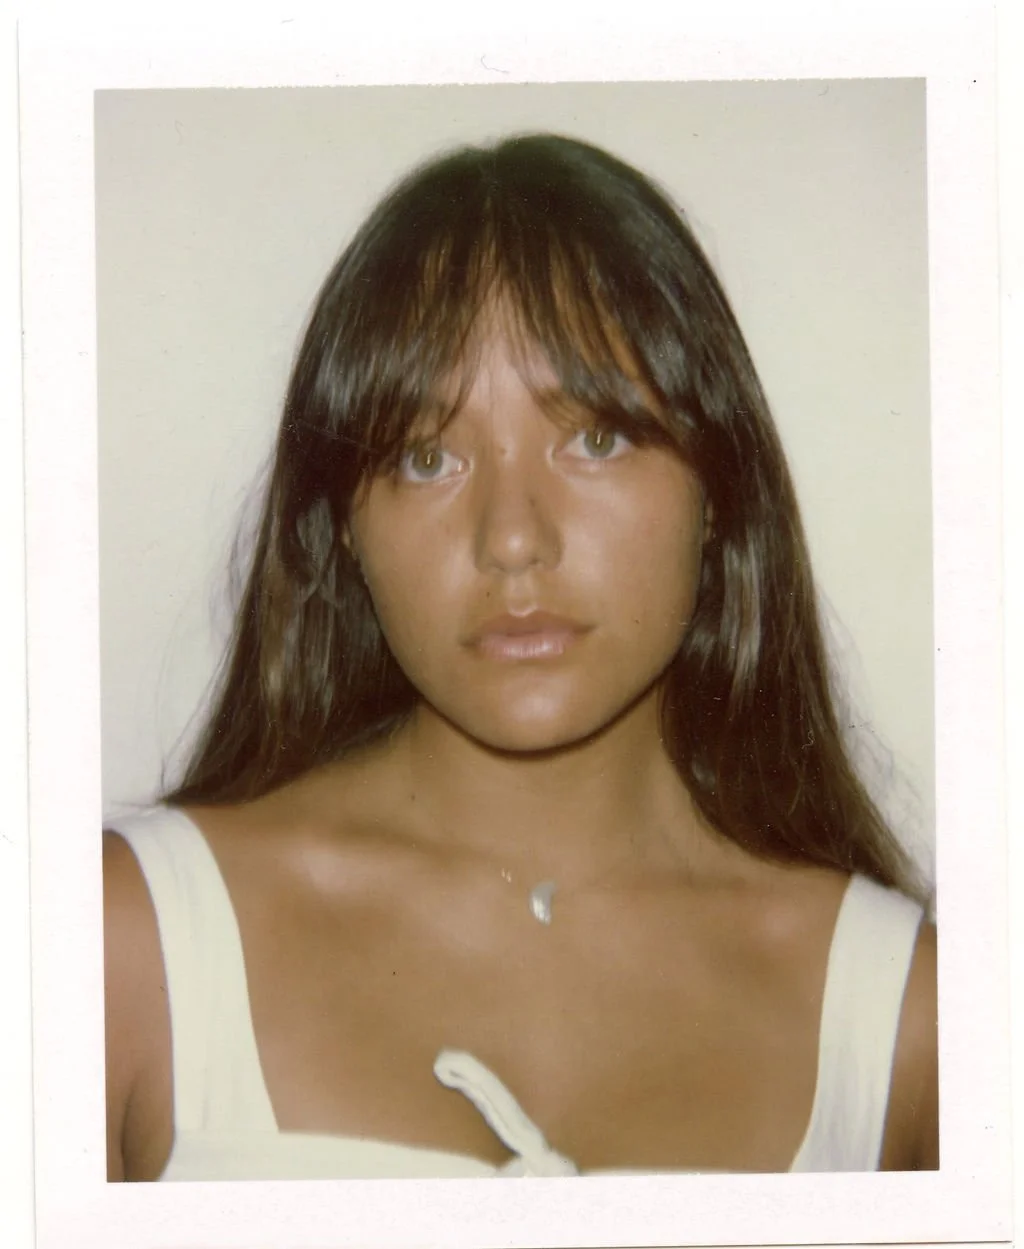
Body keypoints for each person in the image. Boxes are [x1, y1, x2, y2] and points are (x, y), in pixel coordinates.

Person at [103, 133, 938, 1182]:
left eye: (594, 438)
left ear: (720, 490)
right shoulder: (124, 949)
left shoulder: (910, 1025)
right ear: (342, 529)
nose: (511, 538)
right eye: (426, 455)